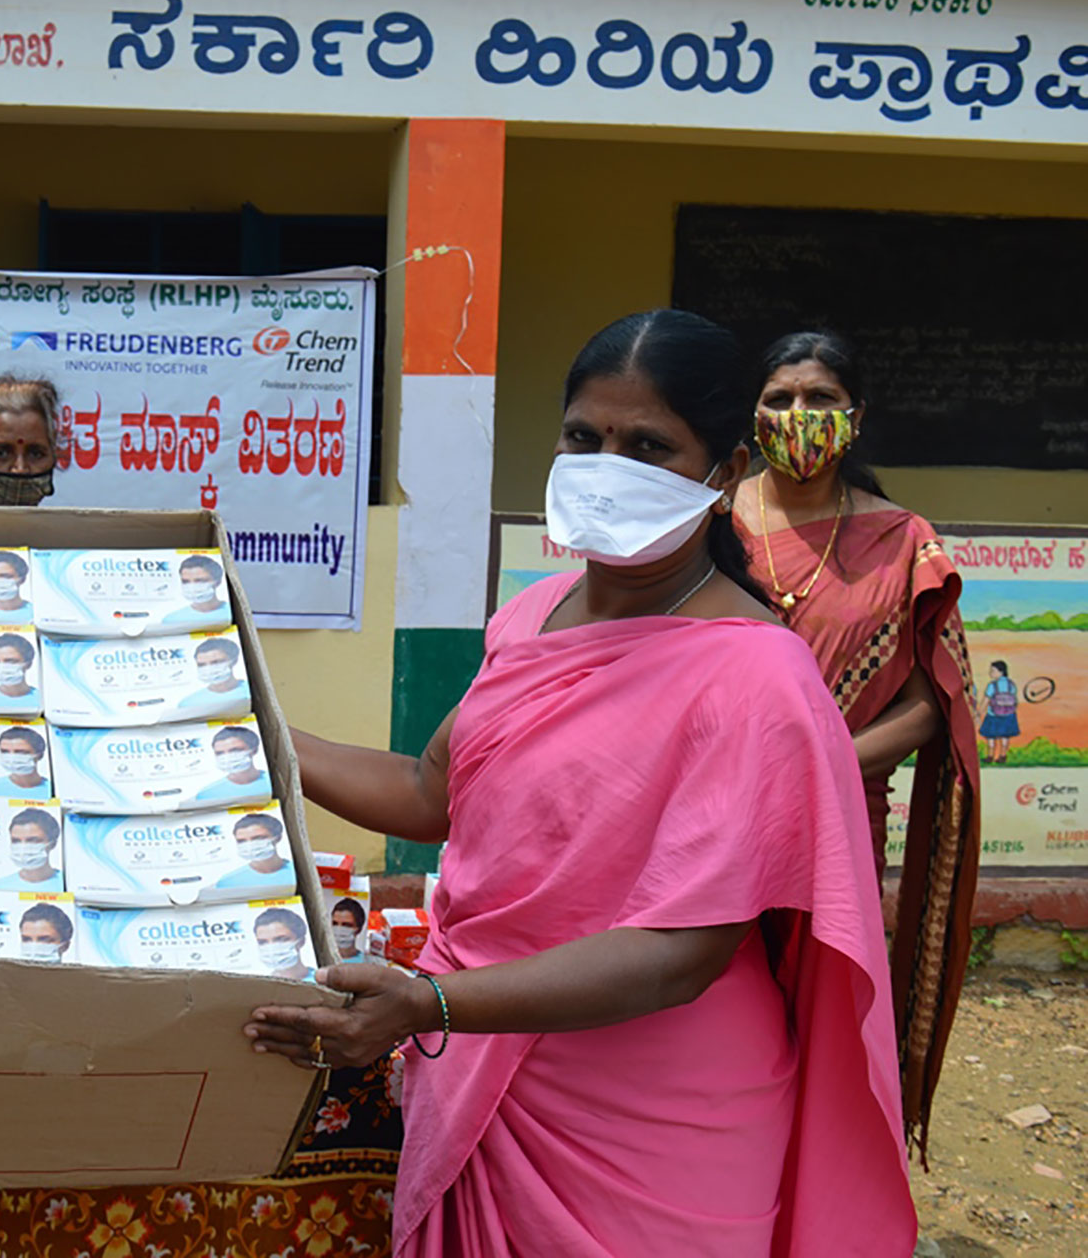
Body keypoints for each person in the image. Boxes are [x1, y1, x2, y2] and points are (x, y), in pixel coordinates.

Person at [248, 310, 913, 1256]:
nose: (609, 467)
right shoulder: (531, 616)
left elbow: (677, 954)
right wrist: (251, 731)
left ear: (723, 473)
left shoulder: (758, 676)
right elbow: (431, 792)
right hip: (480, 1063)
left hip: (654, 1119)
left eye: (649, 446)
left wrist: (431, 1006)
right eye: (584, 438)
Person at [733, 329, 981, 1150]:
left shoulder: (903, 539)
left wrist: (812, 759)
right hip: (707, 813)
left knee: (817, 1016)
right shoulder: (710, 523)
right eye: (779, 399)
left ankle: (814, 1197)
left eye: (820, 400)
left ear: (856, 416)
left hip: (835, 821)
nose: (798, 415)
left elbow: (925, 707)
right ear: (754, 412)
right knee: (705, 1011)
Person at [0, 375, 62, 505]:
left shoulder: (80, 526)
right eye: (1, 453)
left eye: (36, 454)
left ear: (53, 461)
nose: (20, 469)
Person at [214, 812, 292, 890]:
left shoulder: (296, 871)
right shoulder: (228, 882)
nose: (249, 845)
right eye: (242, 841)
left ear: (278, 837)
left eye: (258, 838)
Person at [0, 808, 63, 891]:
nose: (23, 847)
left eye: (32, 840)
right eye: (16, 841)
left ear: (52, 843)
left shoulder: (69, 884)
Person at [194, 724, 269, 803]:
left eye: (235, 750)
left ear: (254, 750)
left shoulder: (272, 782)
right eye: (220, 753)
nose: (227, 757)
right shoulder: (206, 795)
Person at [177, 635, 249, 714]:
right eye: (202, 665)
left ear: (234, 660)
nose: (209, 669)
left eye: (216, 662)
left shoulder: (250, 692)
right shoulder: (188, 704)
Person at [0, 725, 49, 796]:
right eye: (5, 751)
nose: (12, 757)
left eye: (20, 752)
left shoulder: (53, 789)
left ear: (39, 754)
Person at [163, 554, 231, 626]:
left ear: (218, 581)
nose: (192, 586)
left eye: (200, 581)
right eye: (186, 581)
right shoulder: (172, 620)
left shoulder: (231, 613)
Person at [254, 906, 313, 981]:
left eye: (281, 940)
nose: (271, 947)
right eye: (263, 942)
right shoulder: (260, 986)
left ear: (301, 942)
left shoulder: (320, 982)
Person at [980, 660, 1019, 763]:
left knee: (991, 736)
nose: (990, 673)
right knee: (1005, 736)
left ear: (1001, 672)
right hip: (1009, 714)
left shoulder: (992, 685)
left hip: (993, 714)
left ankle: (990, 756)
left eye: (993, 671)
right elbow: (1014, 700)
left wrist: (979, 712)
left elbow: (986, 699)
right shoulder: (1011, 684)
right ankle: (1003, 756)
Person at [330, 897, 368, 963]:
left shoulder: (365, 963)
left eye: (346, 925)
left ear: (359, 929)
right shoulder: (317, 959)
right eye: (335, 923)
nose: (339, 929)